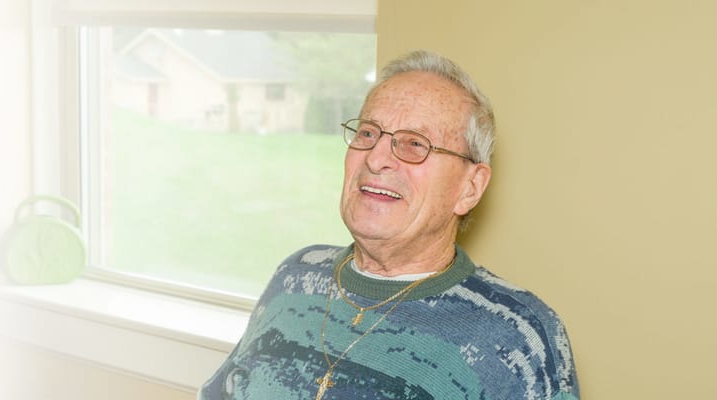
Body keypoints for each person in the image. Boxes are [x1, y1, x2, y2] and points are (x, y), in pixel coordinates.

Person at [199, 50, 579, 400]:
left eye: (415, 144)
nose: (376, 157)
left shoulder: (517, 336)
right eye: (367, 133)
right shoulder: (295, 276)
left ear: (470, 187)